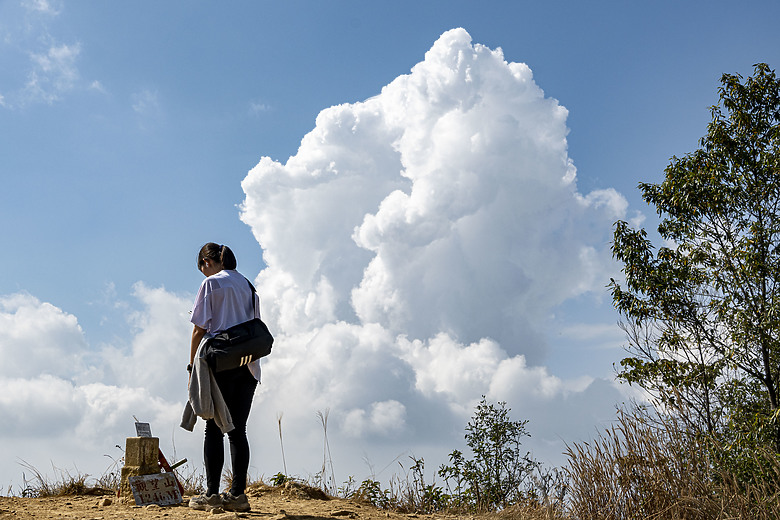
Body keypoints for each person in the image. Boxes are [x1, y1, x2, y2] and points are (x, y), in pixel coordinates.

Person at [186, 243, 262, 512]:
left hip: (220, 362)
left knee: (214, 428)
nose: (204, 274)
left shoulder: (212, 284)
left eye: (202, 269)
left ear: (207, 262)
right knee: (238, 430)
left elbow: (199, 328)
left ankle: (212, 494)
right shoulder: (249, 286)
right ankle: (238, 495)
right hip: (249, 364)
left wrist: (191, 365)